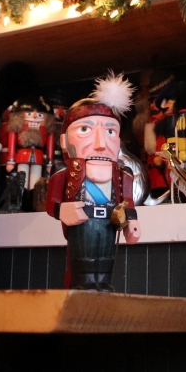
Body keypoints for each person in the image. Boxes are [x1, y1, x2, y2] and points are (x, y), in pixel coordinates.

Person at [46, 74, 141, 290]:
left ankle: (103, 290)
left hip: (109, 226)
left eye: (110, 131)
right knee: (83, 268)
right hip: (82, 228)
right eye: (85, 130)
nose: (100, 144)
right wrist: (62, 211)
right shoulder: (63, 172)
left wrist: (131, 223)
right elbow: (51, 202)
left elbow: (127, 201)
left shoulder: (122, 174)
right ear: (64, 140)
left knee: (106, 266)